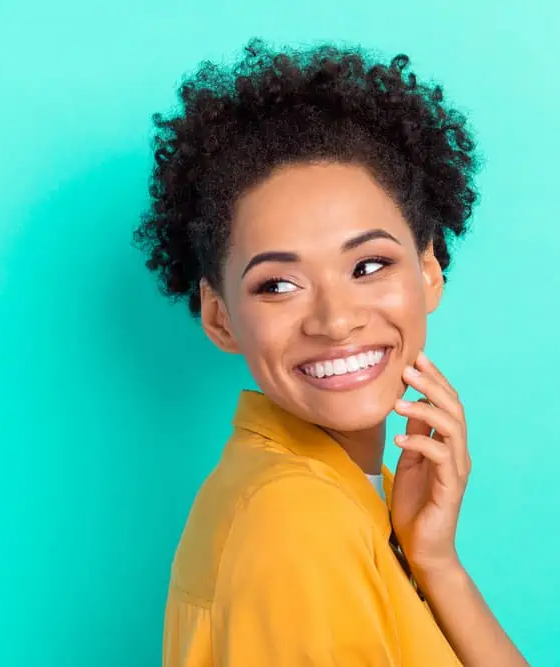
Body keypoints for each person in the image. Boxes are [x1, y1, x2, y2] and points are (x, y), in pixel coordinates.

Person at [134, 38, 527, 667]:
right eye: (278, 285)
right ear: (220, 317)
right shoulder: (295, 521)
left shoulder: (346, 496)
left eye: (369, 265)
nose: (336, 321)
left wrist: (435, 563)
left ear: (428, 272)